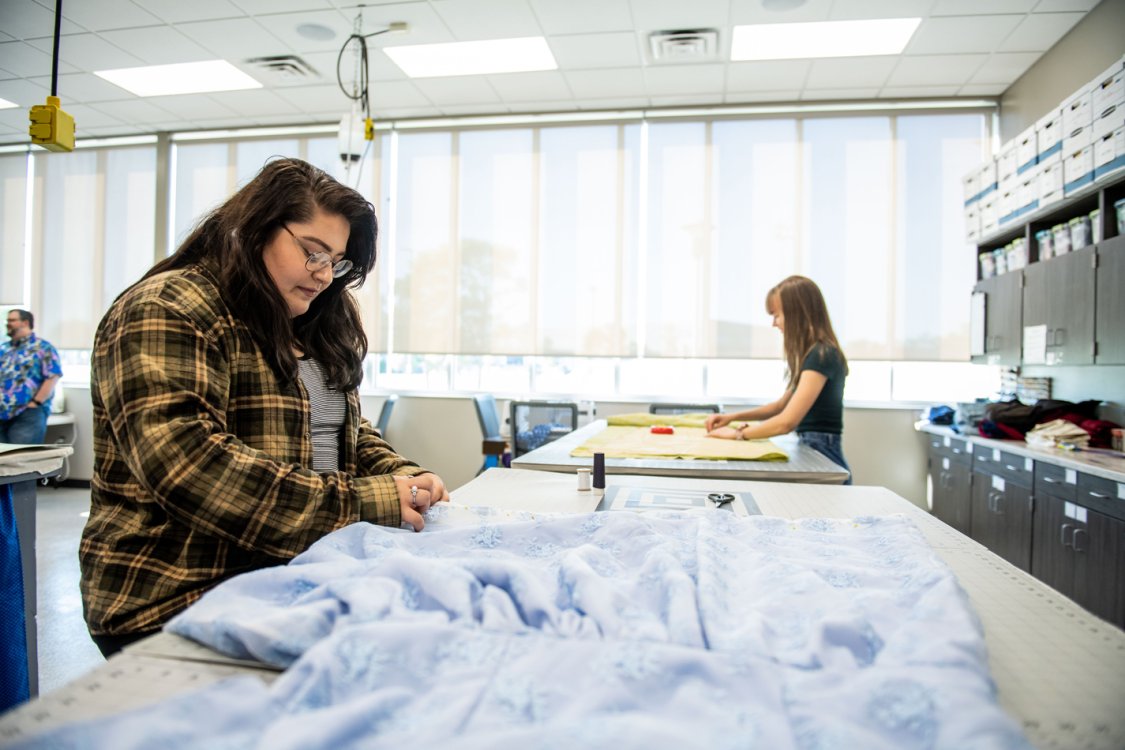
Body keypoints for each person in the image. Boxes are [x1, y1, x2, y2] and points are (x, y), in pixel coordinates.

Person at [80, 158, 449, 657]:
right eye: (313, 253)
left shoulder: (310, 317)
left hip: (296, 573)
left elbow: (344, 430)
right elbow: (191, 468)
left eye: (336, 263)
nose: (324, 276)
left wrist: (402, 476)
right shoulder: (168, 308)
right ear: (255, 228)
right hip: (180, 594)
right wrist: (369, 501)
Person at [705, 275, 851, 483]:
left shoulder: (822, 355)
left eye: (777, 315)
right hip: (812, 446)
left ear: (797, 313)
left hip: (822, 451)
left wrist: (737, 434)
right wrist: (732, 417)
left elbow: (786, 422)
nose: (774, 323)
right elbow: (780, 406)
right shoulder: (812, 355)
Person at [0, 309, 62, 444]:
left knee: (22, 460)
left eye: (12, 320)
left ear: (25, 322)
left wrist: (36, 403)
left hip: (28, 414)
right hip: (2, 413)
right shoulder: (4, 349)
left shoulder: (43, 348)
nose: (7, 323)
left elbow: (52, 376)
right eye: (7, 320)